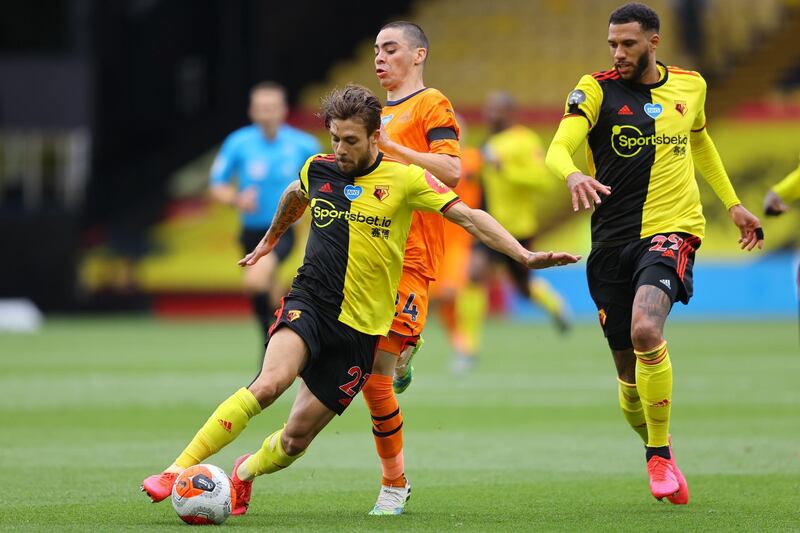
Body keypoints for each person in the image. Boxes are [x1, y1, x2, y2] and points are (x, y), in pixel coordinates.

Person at [141, 84, 581, 516]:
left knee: (295, 440)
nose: (341, 149)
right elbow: (295, 195)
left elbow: (469, 216)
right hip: (310, 302)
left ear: (376, 138)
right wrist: (269, 240)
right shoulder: (319, 168)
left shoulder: (406, 178)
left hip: (362, 329)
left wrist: (524, 255)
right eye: (334, 138)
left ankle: (244, 472)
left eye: (350, 140)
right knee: (269, 384)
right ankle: (174, 470)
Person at [545, 2, 764, 504]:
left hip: (674, 229)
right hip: (610, 245)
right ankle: (658, 447)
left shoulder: (691, 85)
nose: (618, 53)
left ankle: (659, 455)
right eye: (612, 44)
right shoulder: (595, 89)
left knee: (647, 329)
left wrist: (732, 205)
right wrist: (572, 173)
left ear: (653, 42)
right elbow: (559, 147)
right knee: (627, 374)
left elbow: (701, 141)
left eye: (628, 43)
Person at [363, 21, 462, 514]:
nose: (380, 57)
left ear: (418, 54)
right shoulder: (371, 113)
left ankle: (394, 483)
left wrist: (391, 149)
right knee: (355, 371)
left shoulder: (432, 104)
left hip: (412, 260)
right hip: (365, 260)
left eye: (391, 48)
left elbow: (451, 171)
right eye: (376, 50)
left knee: (376, 378)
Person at [210, 81, 321, 346]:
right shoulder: (239, 142)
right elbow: (218, 185)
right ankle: (272, 338)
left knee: (255, 281)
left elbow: (324, 182)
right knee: (261, 293)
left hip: (283, 230)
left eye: (272, 107)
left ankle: (287, 325)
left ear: (283, 110)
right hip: (250, 231)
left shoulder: (303, 144)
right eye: (261, 107)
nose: (266, 113)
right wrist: (237, 199)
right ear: (252, 111)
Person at [480, 90, 571, 335]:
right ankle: (467, 347)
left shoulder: (525, 139)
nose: (489, 114)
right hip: (490, 224)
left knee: (524, 288)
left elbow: (543, 181)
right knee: (474, 275)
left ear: (509, 112)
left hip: (517, 226)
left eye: (495, 109)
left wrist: (505, 169)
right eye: (488, 109)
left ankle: (556, 306)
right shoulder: (491, 142)